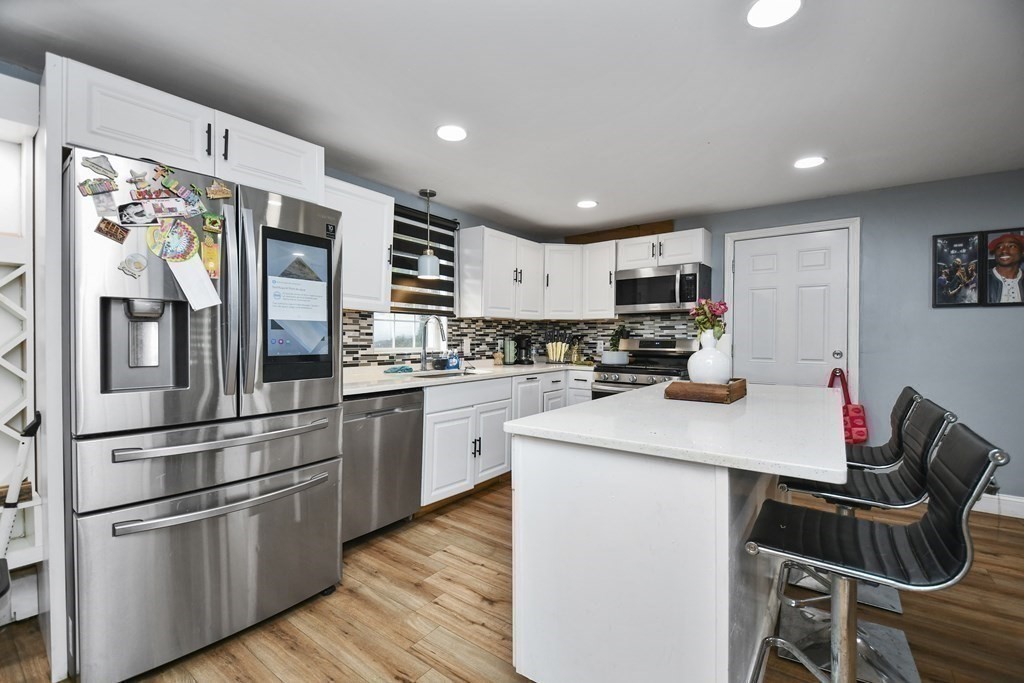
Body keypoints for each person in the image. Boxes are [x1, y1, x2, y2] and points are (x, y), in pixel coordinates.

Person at [986, 233, 1024, 304]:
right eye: (999, 247)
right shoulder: (979, 281)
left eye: (1012, 246)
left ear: (1022, 252)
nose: (1004, 250)